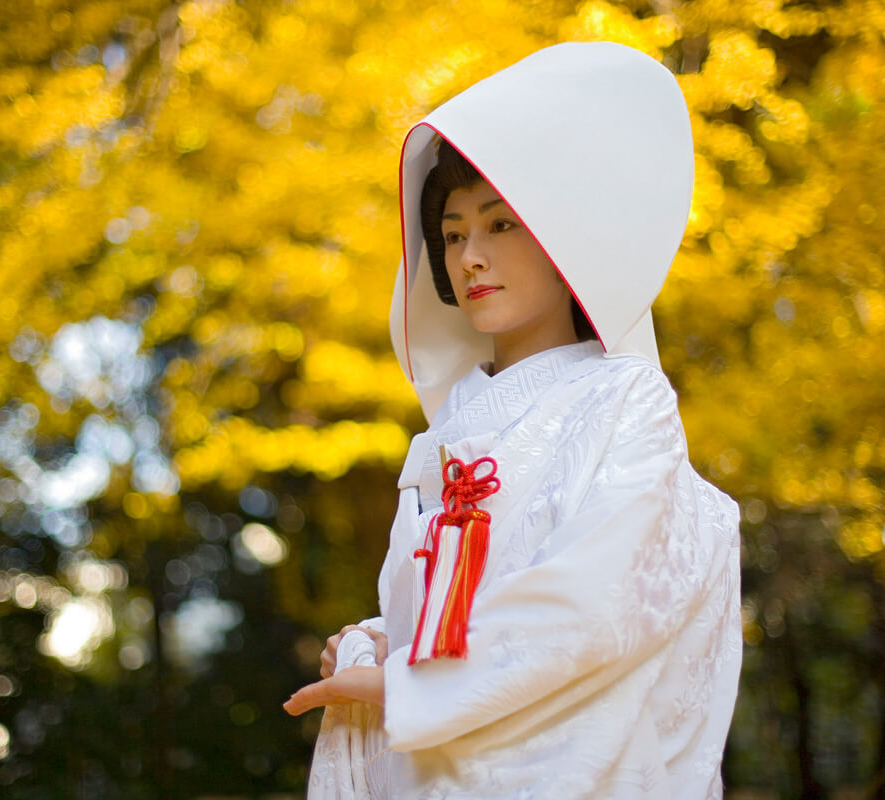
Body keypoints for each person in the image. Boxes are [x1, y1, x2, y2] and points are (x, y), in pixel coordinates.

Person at [284, 41, 742, 799]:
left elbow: (596, 605)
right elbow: (440, 613)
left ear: (563, 241)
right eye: (455, 233)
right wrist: (369, 644)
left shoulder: (626, 401)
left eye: (501, 226)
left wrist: (398, 688)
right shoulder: (443, 431)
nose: (470, 257)